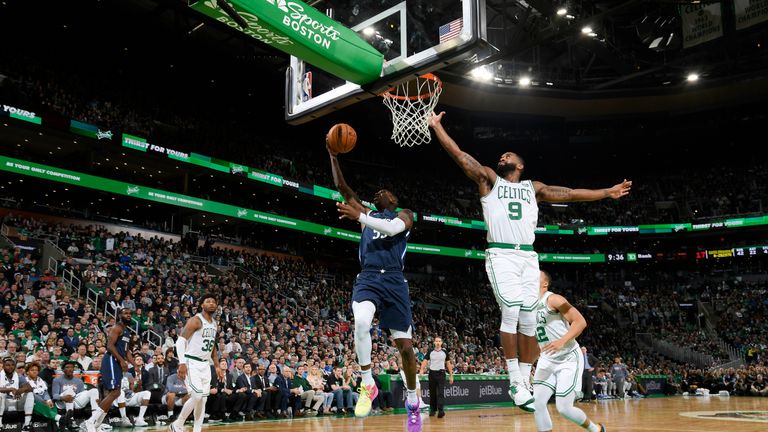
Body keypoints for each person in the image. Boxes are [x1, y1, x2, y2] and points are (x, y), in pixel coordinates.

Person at [428, 111, 631, 411]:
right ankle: (513, 380)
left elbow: (571, 194)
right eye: (501, 154)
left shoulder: (532, 188)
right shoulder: (489, 179)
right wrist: (437, 127)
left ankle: (524, 381)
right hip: (502, 254)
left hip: (528, 255)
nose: (502, 155)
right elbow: (460, 156)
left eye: (508, 154)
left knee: (529, 318)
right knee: (510, 311)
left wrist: (606, 192)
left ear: (519, 165)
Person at [327, 141, 422, 430]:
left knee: (405, 347)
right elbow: (344, 189)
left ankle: (411, 396)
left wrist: (362, 218)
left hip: (394, 279)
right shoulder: (366, 214)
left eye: (385, 191)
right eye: (376, 193)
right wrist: (333, 156)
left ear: (393, 199)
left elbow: (393, 229)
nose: (379, 192)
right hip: (369, 276)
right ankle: (367, 383)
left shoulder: (404, 214)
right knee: (360, 323)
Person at [531, 271, 605, 432]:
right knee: (536, 402)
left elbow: (580, 322)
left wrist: (561, 341)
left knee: (563, 408)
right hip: (547, 359)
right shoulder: (527, 305)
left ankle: (596, 429)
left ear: (545, 284)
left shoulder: (554, 299)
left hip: (568, 357)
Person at [169, 294, 218, 432]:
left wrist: (217, 365)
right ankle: (178, 424)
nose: (212, 303)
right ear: (202, 305)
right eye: (208, 301)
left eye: (214, 302)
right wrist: (182, 363)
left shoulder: (214, 323)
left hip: (205, 365)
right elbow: (180, 341)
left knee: (203, 399)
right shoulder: (196, 320)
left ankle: (197, 429)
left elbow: (213, 346)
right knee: (196, 395)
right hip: (192, 362)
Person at [84, 308, 134, 432]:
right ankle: (90, 422)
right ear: (119, 316)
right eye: (125, 313)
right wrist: (122, 361)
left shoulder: (127, 331)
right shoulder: (116, 328)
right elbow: (110, 346)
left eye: (129, 314)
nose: (128, 315)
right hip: (111, 360)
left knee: (116, 393)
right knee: (114, 392)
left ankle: (96, 424)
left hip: (117, 362)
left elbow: (127, 351)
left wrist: (135, 364)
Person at [52, 360, 101, 429]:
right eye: (67, 367)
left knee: (94, 390)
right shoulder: (57, 380)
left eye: (71, 367)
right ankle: (70, 421)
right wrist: (63, 398)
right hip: (61, 403)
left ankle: (94, 419)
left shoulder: (79, 381)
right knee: (69, 391)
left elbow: (81, 394)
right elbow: (55, 396)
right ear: (63, 370)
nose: (70, 369)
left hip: (74, 401)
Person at [419, 336, 454, 418]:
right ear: (434, 342)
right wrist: (421, 369)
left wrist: (451, 376)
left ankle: (441, 410)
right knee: (432, 393)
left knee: (441, 393)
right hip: (432, 374)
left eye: (439, 341)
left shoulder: (445, 352)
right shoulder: (430, 351)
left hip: (441, 374)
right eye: (436, 341)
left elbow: (448, 364)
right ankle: (433, 410)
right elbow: (425, 361)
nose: (438, 343)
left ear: (441, 343)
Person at [0, 357, 34, 431]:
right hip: (4, 403)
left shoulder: (18, 375)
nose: (10, 367)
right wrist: (11, 389)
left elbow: (29, 387)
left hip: (16, 401)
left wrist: (19, 391)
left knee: (30, 394)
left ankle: (26, 424)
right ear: (3, 366)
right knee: (0, 394)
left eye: (12, 365)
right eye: (7, 365)